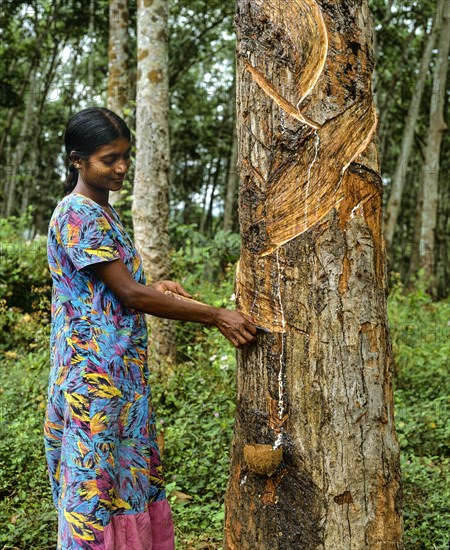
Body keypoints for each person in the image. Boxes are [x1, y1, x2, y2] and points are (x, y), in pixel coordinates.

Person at [44, 107, 257, 550]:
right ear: (76, 160)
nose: (122, 167)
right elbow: (130, 296)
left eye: (126, 156)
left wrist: (152, 285)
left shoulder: (105, 213)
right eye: (109, 159)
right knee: (94, 493)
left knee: (125, 485)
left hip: (120, 378)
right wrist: (215, 314)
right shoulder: (77, 214)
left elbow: (109, 288)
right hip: (92, 380)